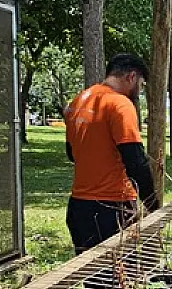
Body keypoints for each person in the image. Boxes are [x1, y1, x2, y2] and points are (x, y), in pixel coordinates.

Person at [64, 54, 159, 256]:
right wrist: (153, 204)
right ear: (131, 77)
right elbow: (135, 160)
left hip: (79, 207)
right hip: (112, 206)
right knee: (122, 278)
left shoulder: (80, 100)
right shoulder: (120, 104)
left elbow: (72, 153)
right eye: (141, 86)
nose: (139, 93)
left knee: (92, 277)